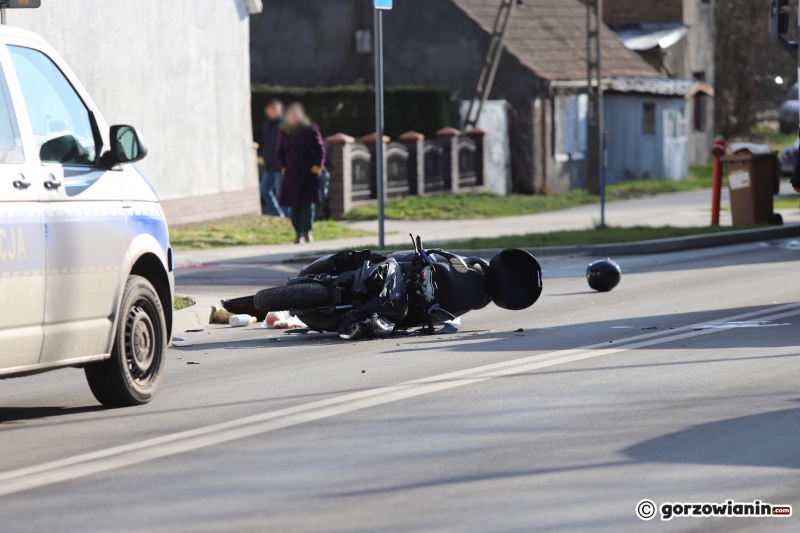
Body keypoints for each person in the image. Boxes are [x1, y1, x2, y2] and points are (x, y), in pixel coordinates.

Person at [276, 103, 326, 243]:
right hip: (291, 173)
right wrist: (283, 167)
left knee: (307, 204)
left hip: (308, 172)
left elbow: (320, 149)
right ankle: (297, 233)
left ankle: (307, 232)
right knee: (294, 205)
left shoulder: (310, 129)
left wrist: (318, 166)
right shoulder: (284, 131)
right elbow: (279, 152)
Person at [257, 100, 287, 217]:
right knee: (264, 190)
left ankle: (288, 216)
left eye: (274, 109)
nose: (272, 112)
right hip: (270, 165)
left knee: (282, 193)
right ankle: (277, 213)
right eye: (270, 110)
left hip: (281, 165)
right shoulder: (267, 124)